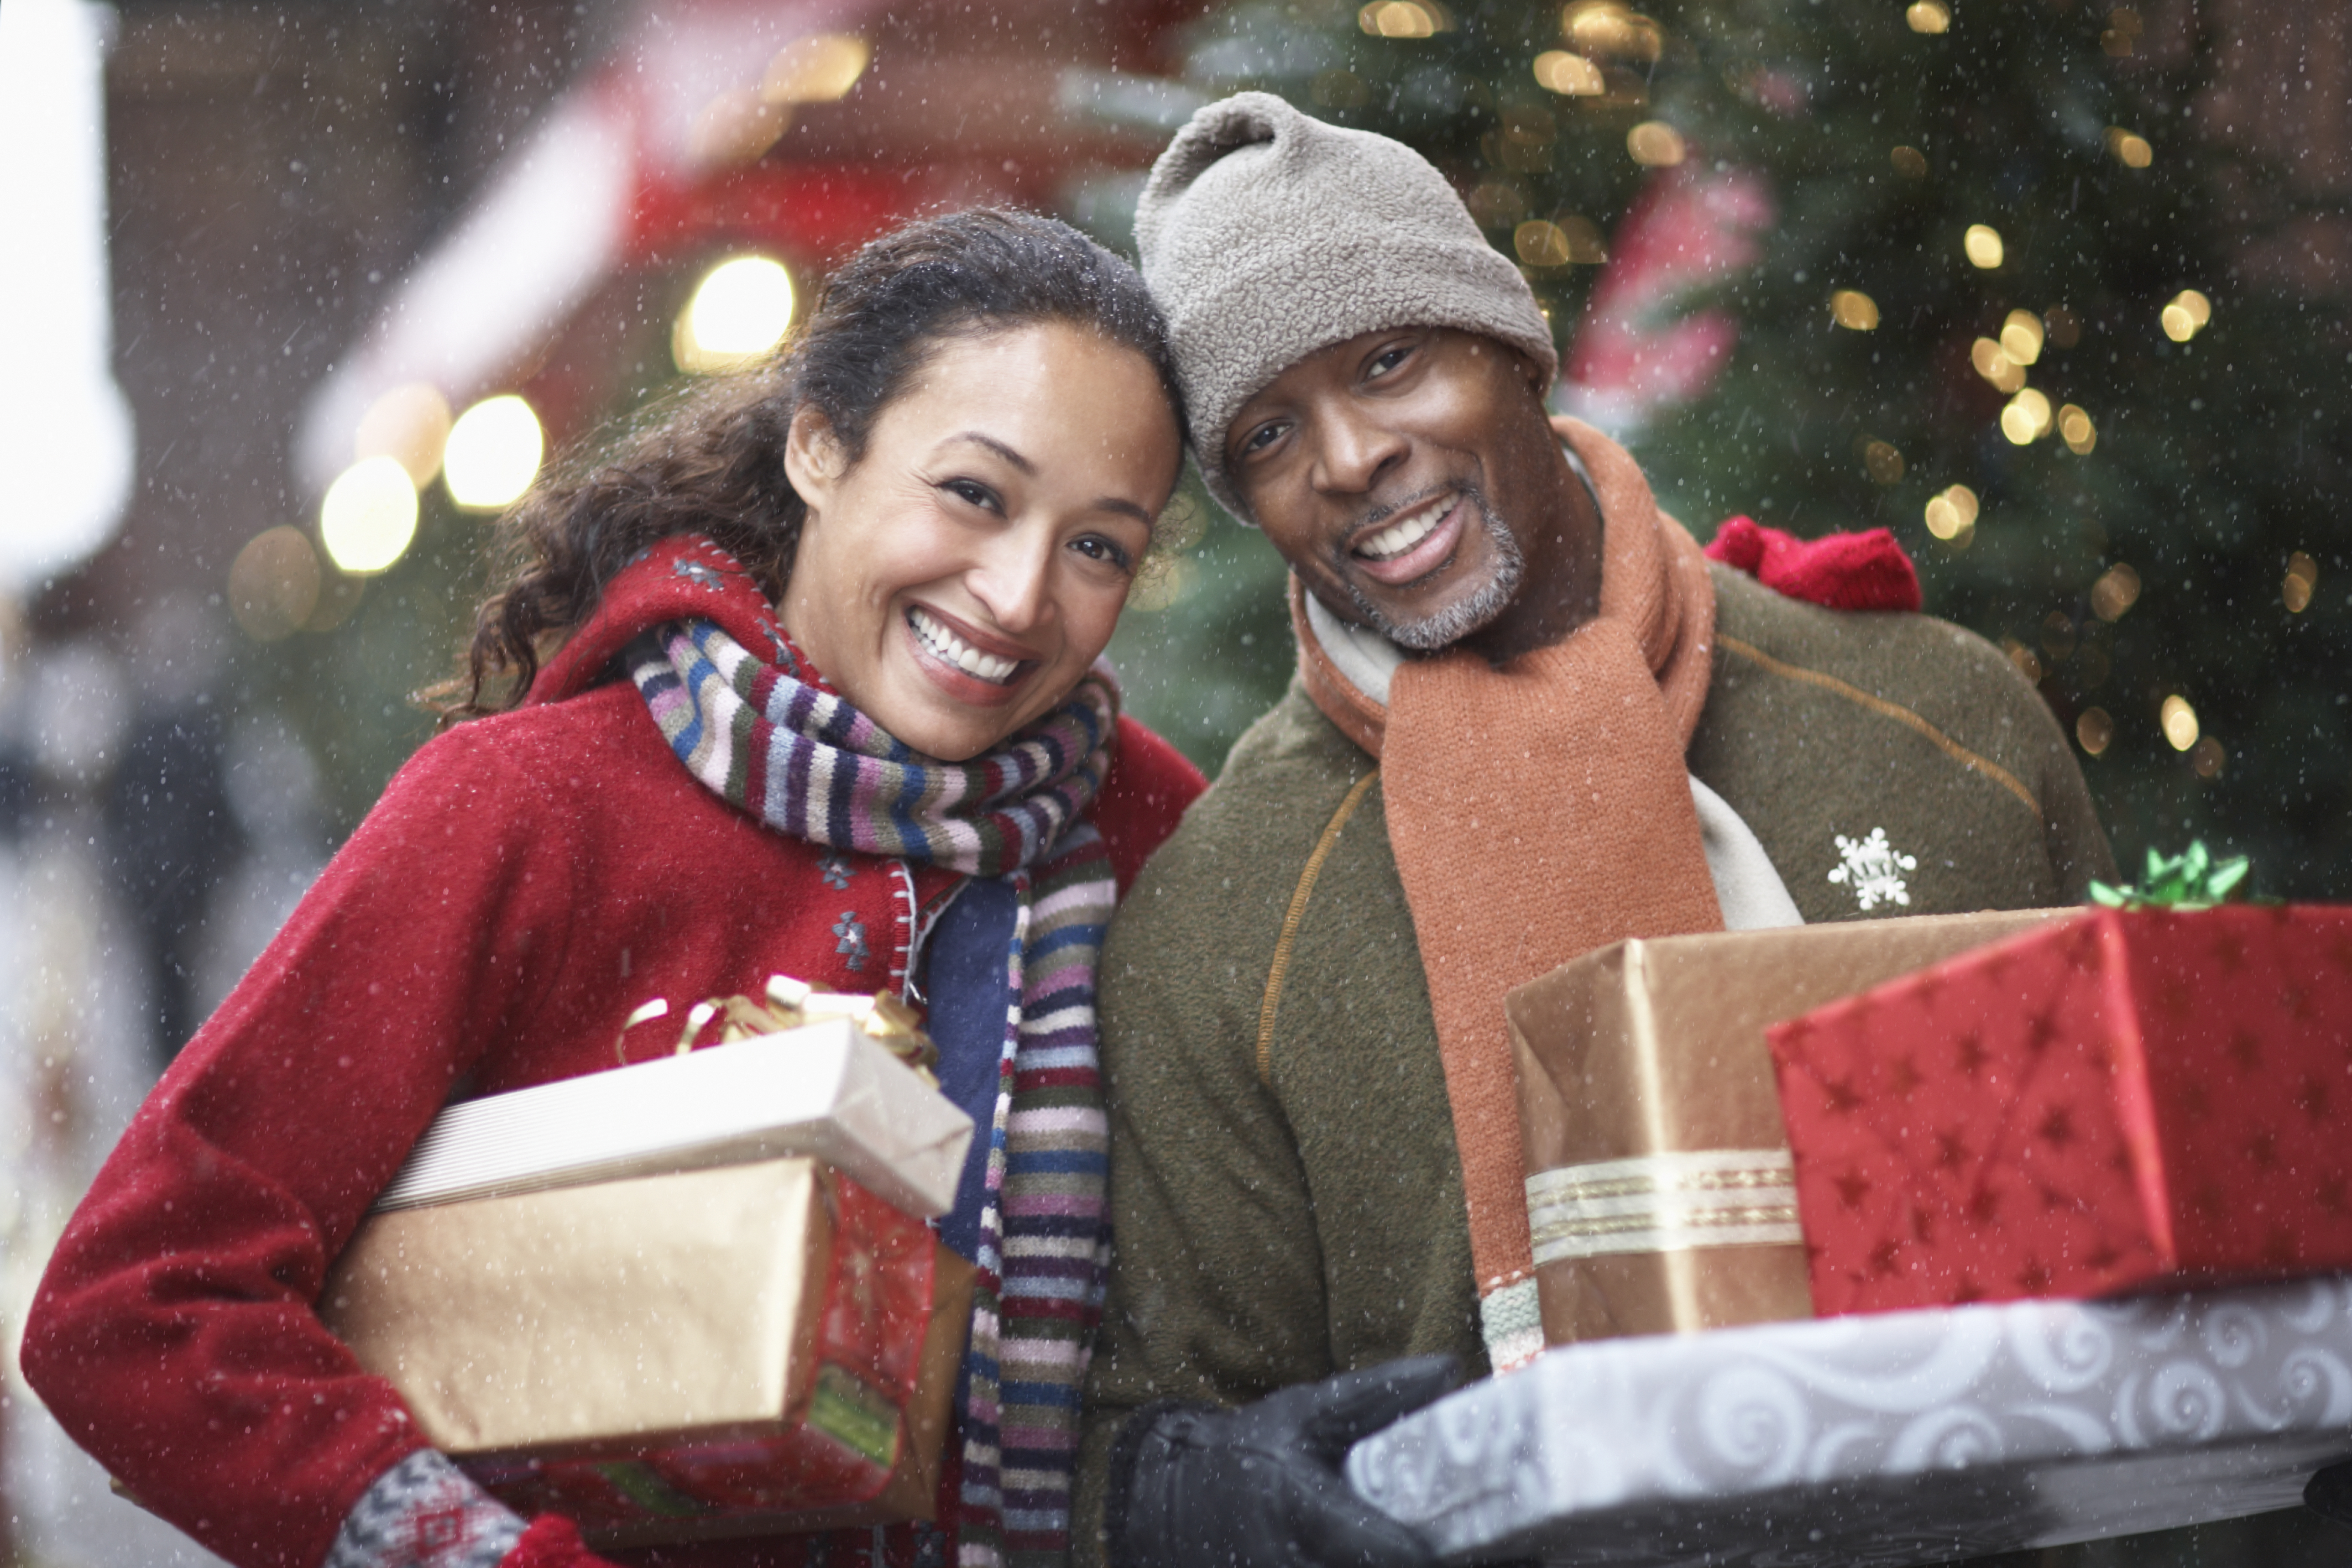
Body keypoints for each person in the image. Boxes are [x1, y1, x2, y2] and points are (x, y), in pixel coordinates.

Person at [22, 209, 1207, 1568]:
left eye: (1099, 546)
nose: (1015, 595)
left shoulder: (1155, 831)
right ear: (820, 443)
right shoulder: (529, 806)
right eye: (975, 494)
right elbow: (136, 1304)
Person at [1074, 95, 2119, 1568]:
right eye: (1266, 431)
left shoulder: (1935, 722)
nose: (1354, 454)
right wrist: (1223, 1499)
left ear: (1507, 341)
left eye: (1389, 360)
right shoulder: (1221, 924)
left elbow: (2156, 1229)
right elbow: (1145, 1443)